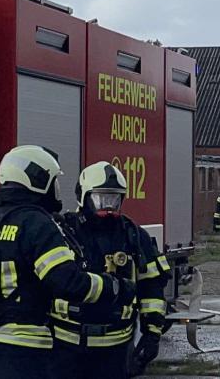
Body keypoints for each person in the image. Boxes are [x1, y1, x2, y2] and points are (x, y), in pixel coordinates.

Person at [0, 146, 133, 379]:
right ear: (38, 180)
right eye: (53, 181)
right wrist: (114, 287)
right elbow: (67, 282)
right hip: (24, 353)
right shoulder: (37, 223)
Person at [52, 161, 172, 379]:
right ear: (83, 196)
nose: (108, 208)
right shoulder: (62, 232)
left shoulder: (133, 235)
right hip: (65, 345)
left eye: (114, 200)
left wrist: (151, 334)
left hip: (116, 349)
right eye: (101, 199)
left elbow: (152, 286)